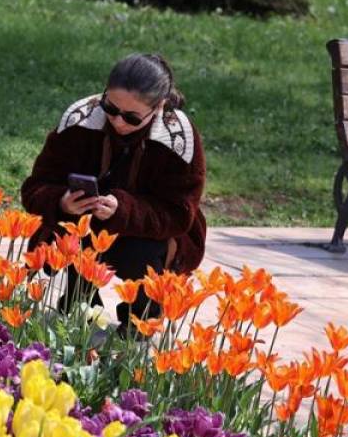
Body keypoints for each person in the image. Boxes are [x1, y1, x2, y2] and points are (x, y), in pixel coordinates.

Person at [20, 53, 207, 332]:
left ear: (159, 107)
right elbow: (36, 186)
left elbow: (179, 214)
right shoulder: (80, 120)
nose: (118, 121)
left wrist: (124, 210)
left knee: (139, 252)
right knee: (77, 232)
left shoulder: (177, 138)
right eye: (110, 106)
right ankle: (80, 301)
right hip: (84, 226)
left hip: (145, 237)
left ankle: (142, 314)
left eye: (131, 117)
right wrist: (61, 202)